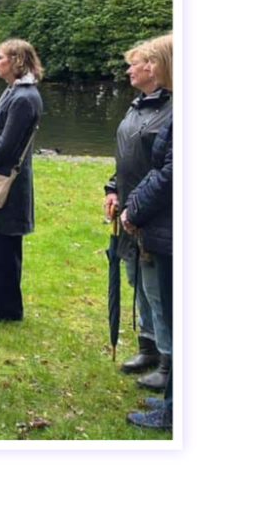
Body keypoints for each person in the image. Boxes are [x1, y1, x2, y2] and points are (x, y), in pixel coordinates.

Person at [105, 34, 173, 391]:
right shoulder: (138, 105)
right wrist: (114, 188)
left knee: (157, 287)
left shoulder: (172, 108)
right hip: (130, 209)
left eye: (133, 63)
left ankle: (168, 359)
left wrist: (139, 206)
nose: (128, 69)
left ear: (153, 66)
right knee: (137, 282)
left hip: (152, 212)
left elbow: (164, 168)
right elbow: (126, 154)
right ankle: (147, 346)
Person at [0, 39, 44, 323]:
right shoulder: (14, 92)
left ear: (16, 61)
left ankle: (5, 308)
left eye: (0, 57)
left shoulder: (25, 97)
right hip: (0, 174)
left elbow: (7, 144)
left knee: (4, 241)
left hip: (9, 180)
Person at [123, 116, 174, 431]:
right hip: (162, 223)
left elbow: (169, 173)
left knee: (173, 315)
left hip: (167, 227)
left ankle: (173, 412)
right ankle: (173, 398)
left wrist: (136, 208)